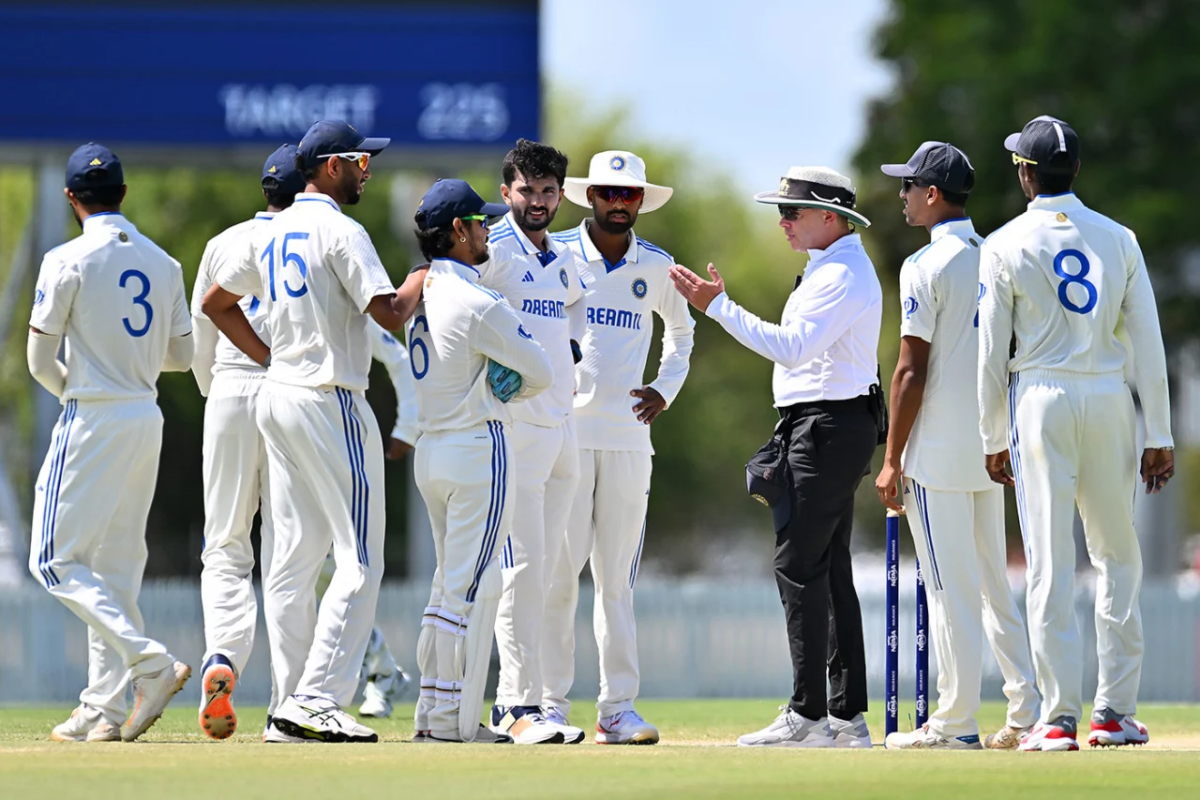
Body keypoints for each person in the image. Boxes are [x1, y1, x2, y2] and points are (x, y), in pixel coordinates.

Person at [191, 144, 420, 737]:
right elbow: (390, 315)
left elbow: (216, 303)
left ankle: (285, 708)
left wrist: (270, 357)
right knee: (359, 559)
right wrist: (428, 272)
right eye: (359, 162)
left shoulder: (268, 231)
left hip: (278, 394)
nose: (367, 171)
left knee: (291, 563)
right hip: (330, 395)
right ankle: (314, 699)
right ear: (329, 165)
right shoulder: (341, 230)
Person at [978, 116, 1174, 751]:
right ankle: (1113, 712)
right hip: (1110, 396)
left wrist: (991, 436)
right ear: (1078, 171)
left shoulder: (1003, 242)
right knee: (1117, 556)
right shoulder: (1120, 238)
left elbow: (989, 352)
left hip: (1039, 397)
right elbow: (1147, 338)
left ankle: (1057, 717)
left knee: (1050, 563)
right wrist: (1160, 432)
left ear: (1026, 174)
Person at [671, 167, 880, 748]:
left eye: (792, 212)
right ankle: (843, 717)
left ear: (829, 218)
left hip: (828, 426)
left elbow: (791, 350)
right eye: (781, 212)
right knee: (828, 567)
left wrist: (720, 308)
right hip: (825, 424)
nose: (783, 221)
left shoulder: (841, 272)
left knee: (799, 565)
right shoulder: (830, 268)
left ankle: (809, 714)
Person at [872, 142, 1040, 750]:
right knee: (995, 585)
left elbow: (910, 370)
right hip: (993, 447)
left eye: (910, 186)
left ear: (933, 194)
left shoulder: (924, 266)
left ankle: (955, 720)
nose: (903, 196)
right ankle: (1024, 713)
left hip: (939, 453)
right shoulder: (1000, 254)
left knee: (949, 590)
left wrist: (892, 458)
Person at [29, 143, 194, 743]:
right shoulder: (165, 263)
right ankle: (100, 707)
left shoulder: (65, 259)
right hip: (143, 414)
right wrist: (133, 367)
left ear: (73, 199)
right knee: (117, 567)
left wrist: (83, 388)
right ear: (123, 194)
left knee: (51, 559)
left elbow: (38, 359)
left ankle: (148, 664)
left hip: (92, 415)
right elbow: (181, 355)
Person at [543, 150, 694, 745]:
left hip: (631, 439)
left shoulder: (657, 265)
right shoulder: (553, 253)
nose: (619, 203)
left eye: (629, 195)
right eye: (609, 193)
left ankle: (617, 709)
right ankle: (549, 704)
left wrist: (665, 388)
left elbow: (681, 333)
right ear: (590, 197)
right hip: (567, 435)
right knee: (559, 574)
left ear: (640, 201)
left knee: (617, 581)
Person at [406, 178, 554, 743]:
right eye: (479, 221)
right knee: (471, 588)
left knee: (448, 585)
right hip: (476, 449)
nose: (488, 228)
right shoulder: (478, 299)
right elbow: (540, 370)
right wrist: (505, 386)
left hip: (432, 450)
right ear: (457, 231)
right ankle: (451, 722)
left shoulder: (424, 293)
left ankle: (434, 712)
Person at [477, 140, 587, 746]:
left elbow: (573, 311)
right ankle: (511, 707)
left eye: (548, 192)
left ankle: (538, 704)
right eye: (528, 191)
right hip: (517, 429)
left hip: (564, 426)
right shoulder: (491, 251)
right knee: (520, 569)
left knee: (547, 574)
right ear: (506, 192)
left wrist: (570, 354)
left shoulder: (564, 258)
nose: (538, 202)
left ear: (560, 195)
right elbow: (453, 307)